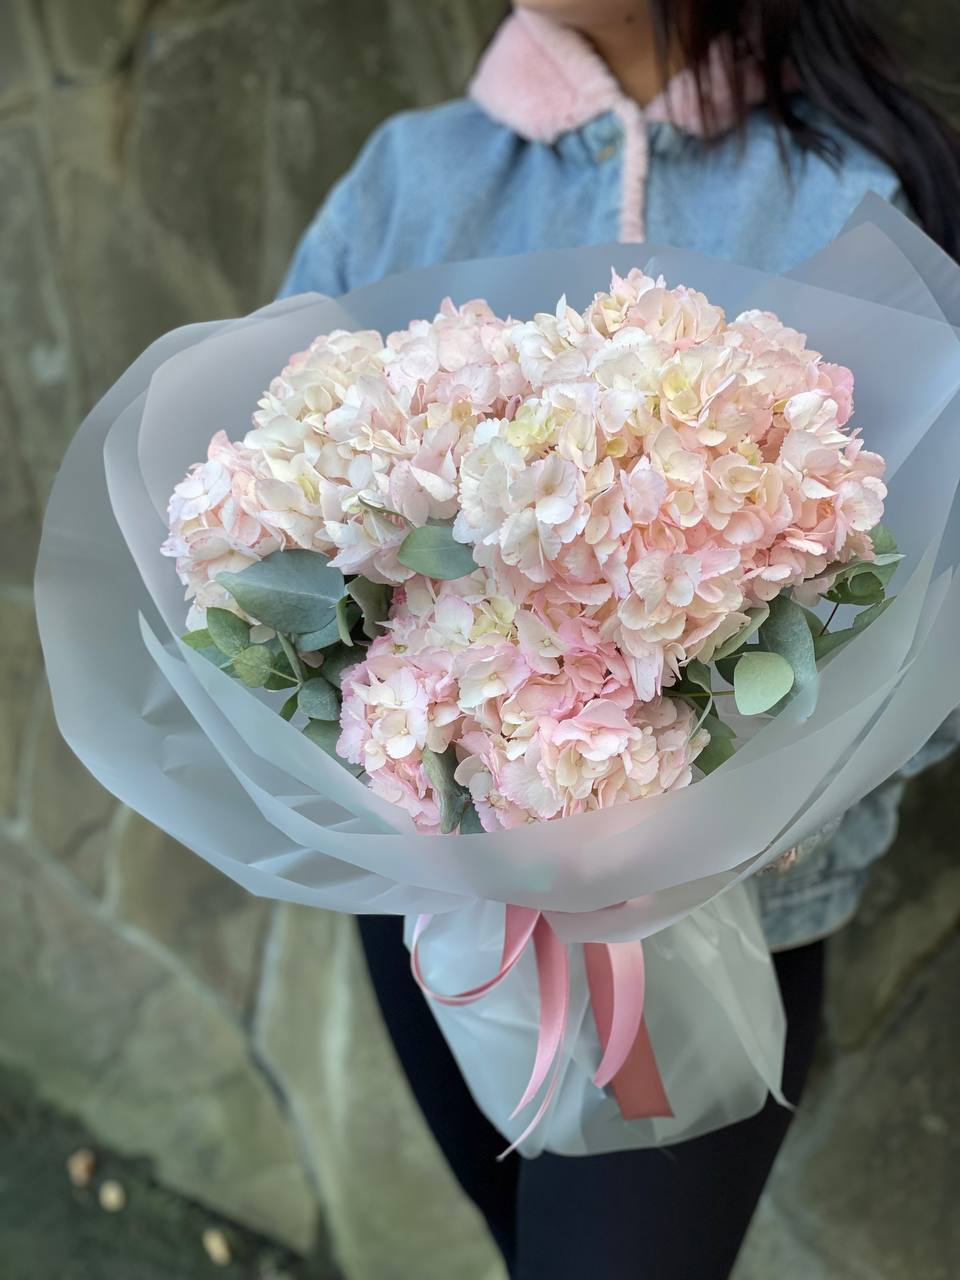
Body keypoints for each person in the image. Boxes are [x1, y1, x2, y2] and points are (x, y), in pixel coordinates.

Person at [279, 3, 960, 1276]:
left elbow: (937, 620)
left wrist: (756, 797)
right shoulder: (409, 178)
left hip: (724, 932)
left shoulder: (851, 200)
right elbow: (278, 530)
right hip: (440, 924)